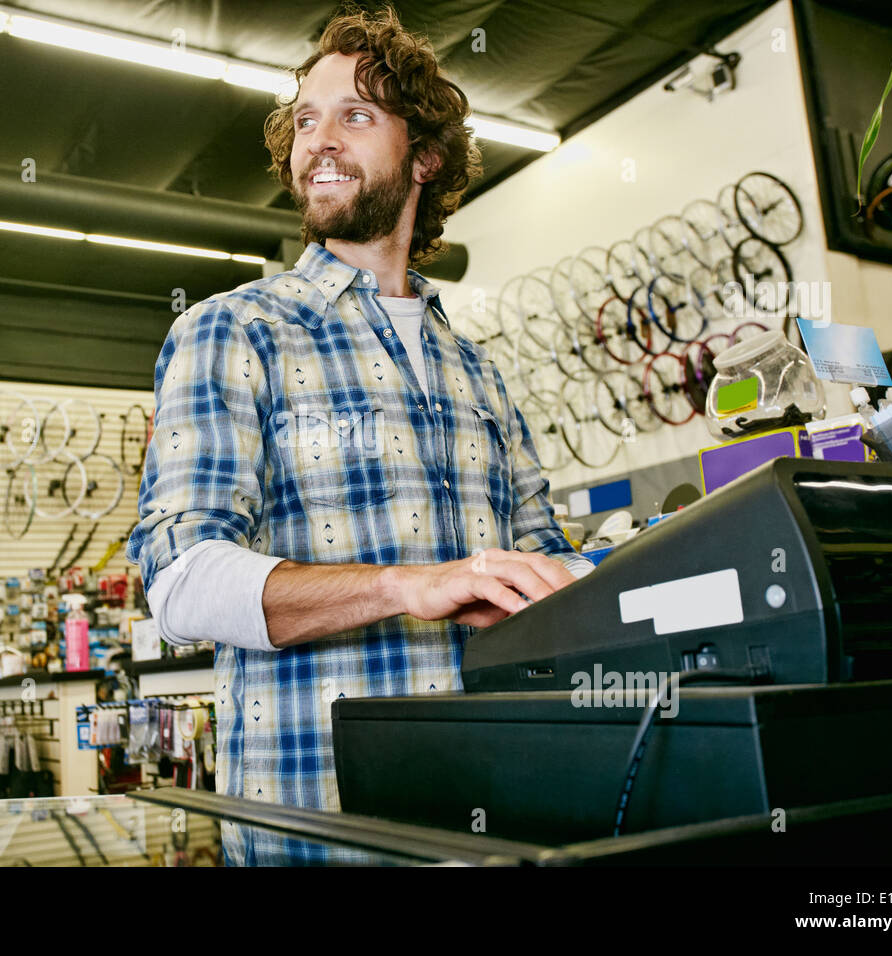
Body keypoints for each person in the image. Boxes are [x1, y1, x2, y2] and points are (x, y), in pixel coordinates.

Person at [126, 4, 593, 865]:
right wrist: (405, 587)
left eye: (356, 115)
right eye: (306, 119)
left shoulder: (477, 368)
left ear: (423, 157)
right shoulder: (235, 330)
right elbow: (181, 582)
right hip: (318, 834)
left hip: (493, 824)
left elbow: (544, 564)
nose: (319, 140)